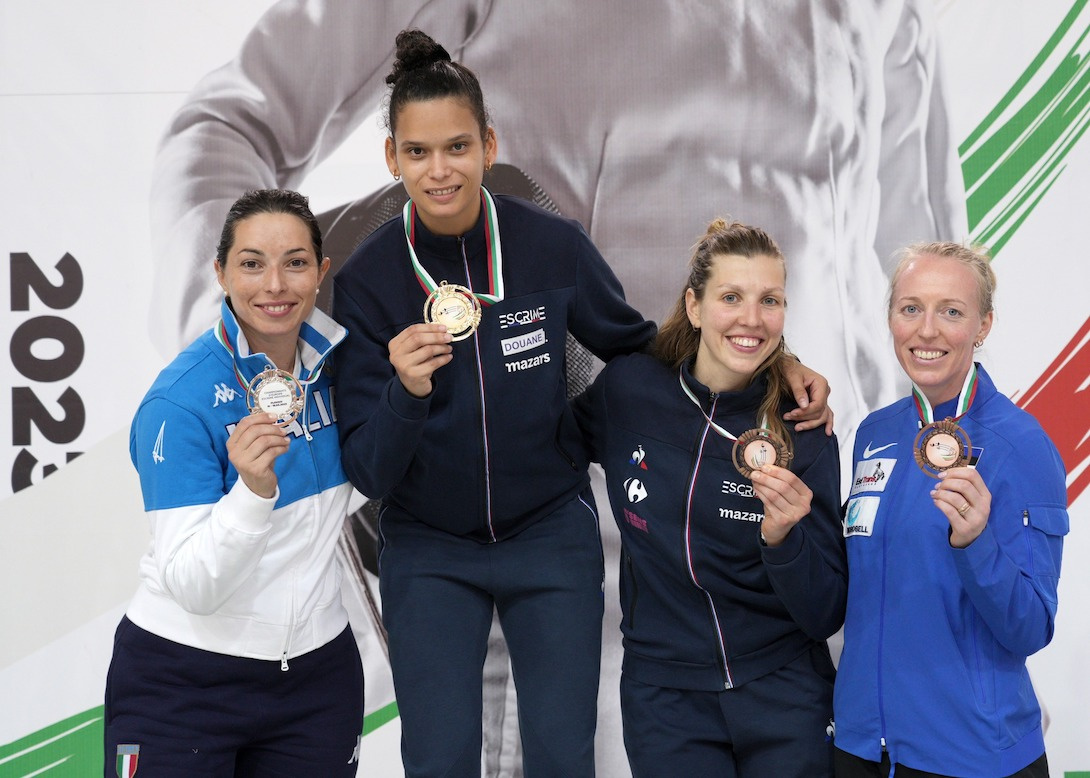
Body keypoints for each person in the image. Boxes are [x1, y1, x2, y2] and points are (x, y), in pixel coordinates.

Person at [331, 31, 830, 777]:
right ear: (392, 158)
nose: (440, 170)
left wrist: (773, 364)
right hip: (430, 546)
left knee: (565, 757)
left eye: (459, 147)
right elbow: (368, 468)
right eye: (419, 152)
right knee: (437, 760)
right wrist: (405, 391)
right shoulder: (367, 279)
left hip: (547, 534)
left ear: (489, 144)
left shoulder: (550, 247)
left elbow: (641, 348)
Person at [104, 189, 363, 777]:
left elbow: (360, 484)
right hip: (182, 681)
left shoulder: (342, 370)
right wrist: (251, 492)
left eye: (295, 262)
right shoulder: (180, 401)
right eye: (251, 263)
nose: (275, 284)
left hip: (316, 681)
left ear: (320, 272)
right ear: (219, 271)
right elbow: (195, 585)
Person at [573, 219, 846, 777]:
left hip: (784, 691)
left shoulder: (803, 428)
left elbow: (825, 612)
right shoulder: (630, 393)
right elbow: (546, 457)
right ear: (694, 307)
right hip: (666, 700)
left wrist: (783, 539)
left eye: (769, 300)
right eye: (731, 297)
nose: (752, 319)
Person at [833, 242, 1069, 778]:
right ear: (891, 317)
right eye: (911, 308)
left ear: (983, 325)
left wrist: (976, 542)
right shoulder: (875, 435)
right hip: (862, 748)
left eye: (952, 311)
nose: (927, 330)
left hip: (971, 757)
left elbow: (1032, 627)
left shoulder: (1022, 446)